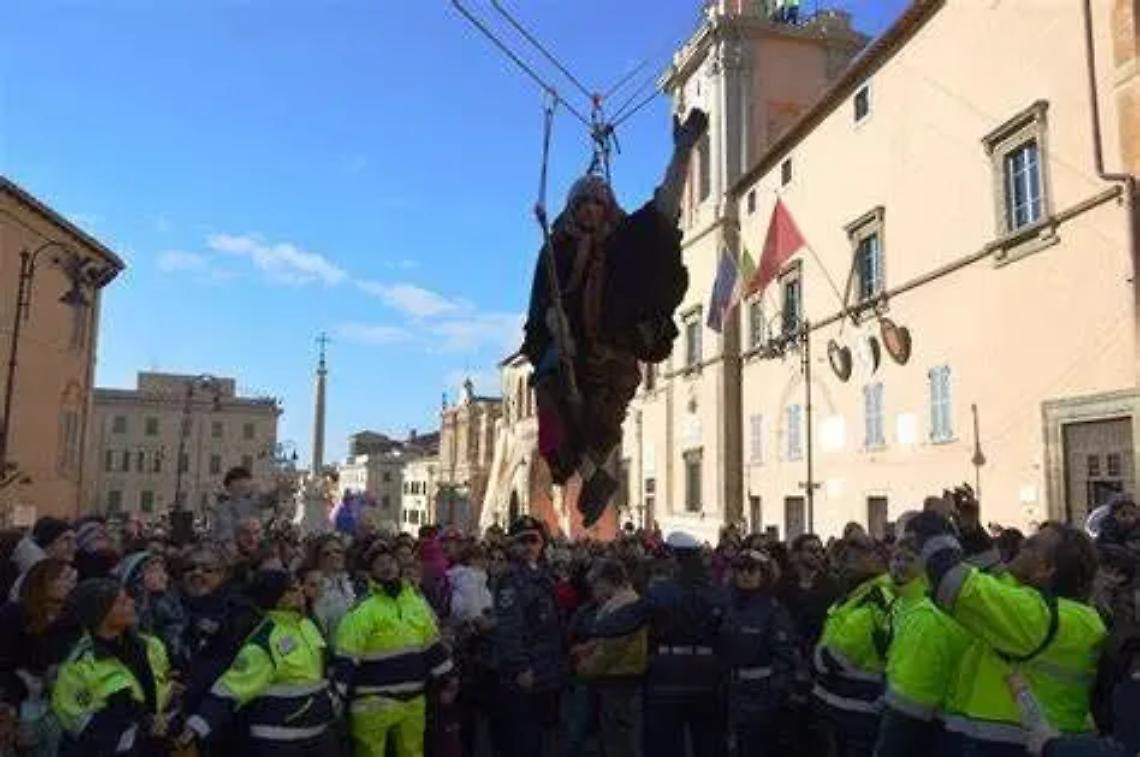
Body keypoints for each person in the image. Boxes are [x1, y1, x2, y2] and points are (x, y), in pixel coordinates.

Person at [522, 109, 708, 526]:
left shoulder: (627, 241)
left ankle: (595, 479)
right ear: (572, 207)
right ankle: (589, 478)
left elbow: (664, 209)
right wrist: (551, 332)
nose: (590, 210)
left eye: (597, 202)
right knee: (556, 428)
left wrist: (682, 152)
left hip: (612, 353)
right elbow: (538, 304)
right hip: (566, 353)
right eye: (583, 202)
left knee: (601, 425)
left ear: (608, 209)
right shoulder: (556, 250)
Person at [910, 504, 1106, 756]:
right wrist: (971, 533)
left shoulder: (1037, 616)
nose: (1022, 544)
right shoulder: (1071, 615)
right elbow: (998, 580)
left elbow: (956, 584)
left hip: (1010, 746)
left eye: (1032, 544)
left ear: (1046, 570)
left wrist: (934, 525)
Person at [178, 569, 338, 756]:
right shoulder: (262, 643)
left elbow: (318, 673)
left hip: (316, 737)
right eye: (292, 589)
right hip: (279, 743)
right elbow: (230, 689)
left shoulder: (308, 625)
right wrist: (195, 729)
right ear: (277, 598)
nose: (301, 590)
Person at [333, 538, 455, 757]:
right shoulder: (362, 610)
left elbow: (431, 646)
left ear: (399, 565)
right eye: (379, 564)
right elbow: (347, 656)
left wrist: (447, 679)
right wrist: (337, 697)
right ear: (371, 572)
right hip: (373, 702)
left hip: (413, 700)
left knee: (413, 752)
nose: (387, 567)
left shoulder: (415, 603)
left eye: (390, 561)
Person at [874, 530, 970, 757]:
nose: (900, 565)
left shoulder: (927, 612)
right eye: (896, 558)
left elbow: (914, 697)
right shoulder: (901, 601)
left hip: (923, 723)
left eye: (910, 559)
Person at [51, 578, 174, 757]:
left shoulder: (151, 645)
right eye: (122, 602)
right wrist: (145, 727)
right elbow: (88, 730)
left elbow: (165, 688)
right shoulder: (78, 666)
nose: (132, 602)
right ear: (100, 614)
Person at [642, 531, 726, 757]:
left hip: (667, 672)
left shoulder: (659, 592)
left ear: (674, 559)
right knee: (707, 741)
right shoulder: (715, 592)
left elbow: (644, 625)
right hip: (707, 672)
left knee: (666, 743)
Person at [811, 533, 894, 757]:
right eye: (848, 551)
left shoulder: (877, 598)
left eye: (862, 551)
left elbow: (835, 657)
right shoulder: (854, 595)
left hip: (857, 710)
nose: (851, 557)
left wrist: (818, 654)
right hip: (837, 708)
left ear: (879, 558)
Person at [491, 516, 568, 757]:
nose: (529, 547)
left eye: (534, 540)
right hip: (526, 672)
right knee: (524, 740)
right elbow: (509, 628)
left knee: (545, 737)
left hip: (548, 668)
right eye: (522, 541)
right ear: (512, 546)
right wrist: (520, 666)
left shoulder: (544, 575)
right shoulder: (510, 579)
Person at [718, 548, 795, 757]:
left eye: (751, 570)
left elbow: (784, 657)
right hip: (730, 690)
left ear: (764, 574)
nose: (744, 574)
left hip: (760, 694)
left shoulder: (773, 610)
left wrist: (775, 696)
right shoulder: (727, 605)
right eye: (740, 569)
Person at [0, 559, 80, 756]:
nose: (71, 584)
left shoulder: (72, 619)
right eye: (65, 578)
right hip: (20, 703)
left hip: (59, 706)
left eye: (73, 579)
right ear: (44, 581)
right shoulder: (15, 613)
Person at [571, 557, 648, 757]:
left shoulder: (623, 607)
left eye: (595, 585)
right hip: (617, 680)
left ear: (606, 582)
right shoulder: (619, 603)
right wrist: (588, 647)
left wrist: (583, 666)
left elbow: (612, 647)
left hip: (620, 682)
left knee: (619, 744)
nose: (593, 592)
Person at [114, 551, 187, 670]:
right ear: (137, 575)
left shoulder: (171, 603)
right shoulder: (127, 610)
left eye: (163, 571)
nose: (164, 577)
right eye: (155, 570)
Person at [8, 517, 76, 601]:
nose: (73, 547)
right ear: (48, 543)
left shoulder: (57, 571)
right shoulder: (36, 575)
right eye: (66, 540)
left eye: (74, 541)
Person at [307, 534, 356, 638]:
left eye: (338, 551)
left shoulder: (352, 583)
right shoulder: (315, 588)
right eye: (326, 554)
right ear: (317, 559)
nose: (334, 555)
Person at [210, 466, 266, 544]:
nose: (243, 484)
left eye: (245, 481)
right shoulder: (221, 509)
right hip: (230, 550)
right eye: (238, 481)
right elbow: (223, 534)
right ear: (228, 487)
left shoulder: (254, 504)